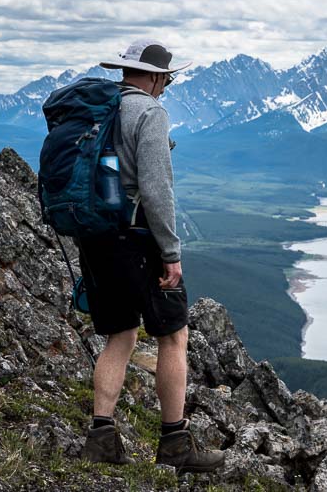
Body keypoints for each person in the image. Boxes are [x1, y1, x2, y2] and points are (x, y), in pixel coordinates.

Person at [79, 39, 224, 473]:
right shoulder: (150, 113)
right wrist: (171, 253)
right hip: (138, 238)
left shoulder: (100, 108)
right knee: (173, 335)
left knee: (119, 335)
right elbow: (158, 192)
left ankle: (101, 435)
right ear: (158, 77)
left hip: (97, 236)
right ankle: (175, 444)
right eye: (169, 78)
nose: (168, 86)